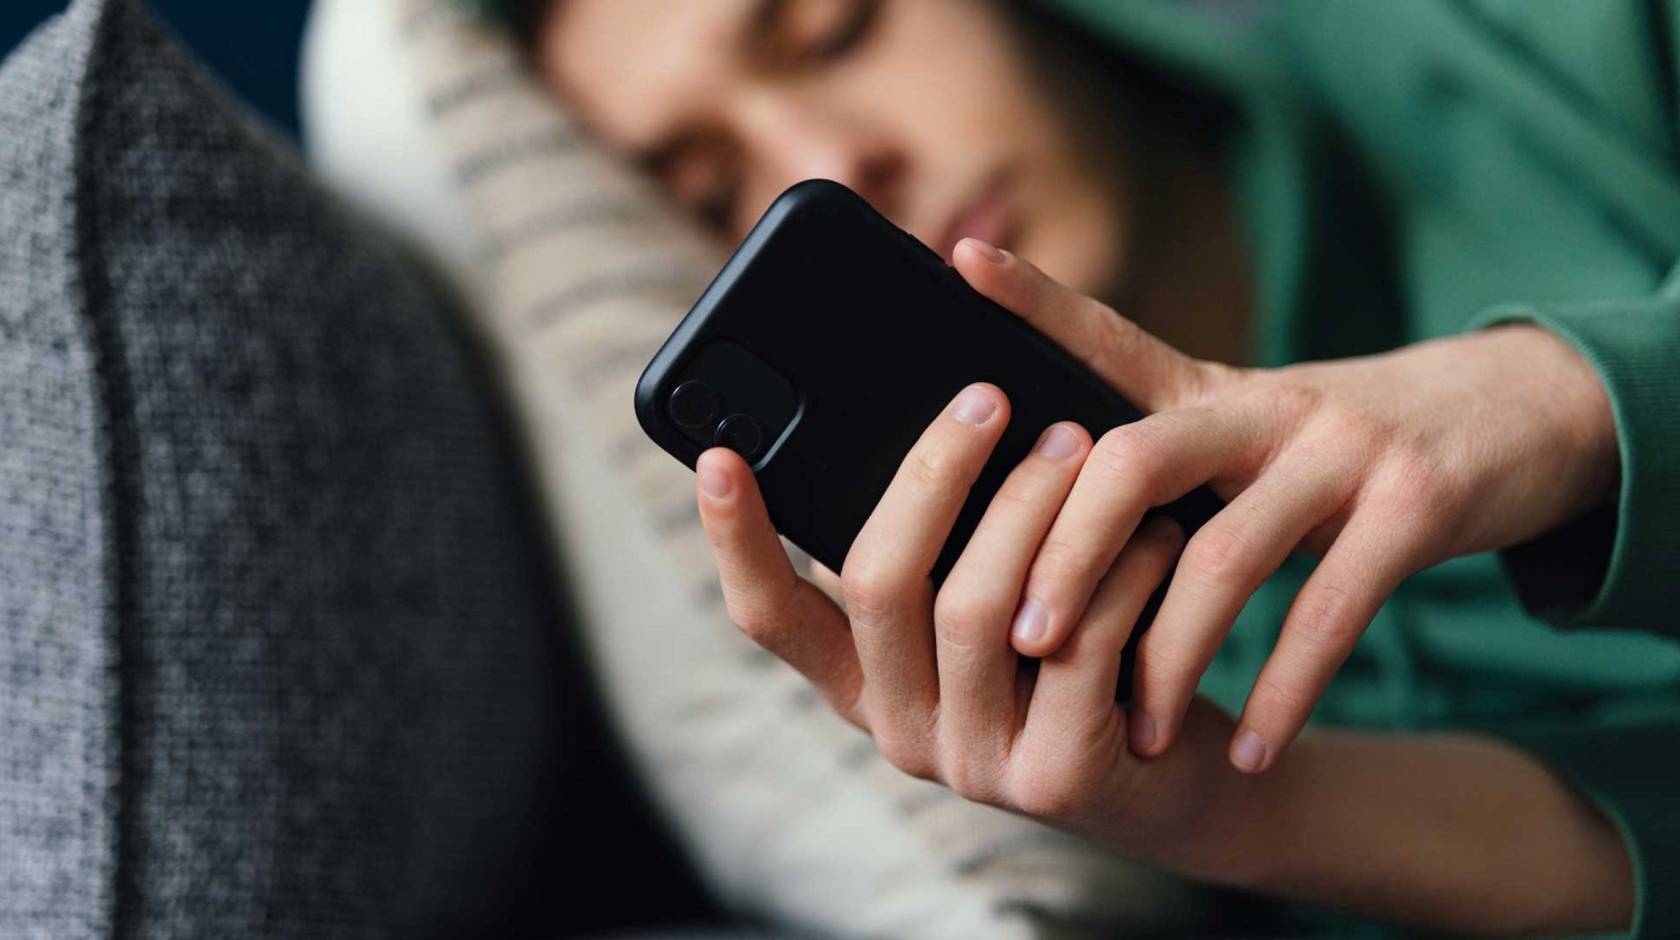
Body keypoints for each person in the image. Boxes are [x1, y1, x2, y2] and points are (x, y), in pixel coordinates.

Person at [478, 0, 1680, 934]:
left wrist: (1566, 400)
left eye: (837, 28)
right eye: (712, 190)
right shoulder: (1152, 671)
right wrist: (1249, 814)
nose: (833, 158)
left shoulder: (1528, 44)